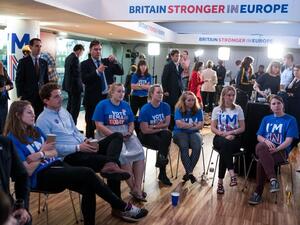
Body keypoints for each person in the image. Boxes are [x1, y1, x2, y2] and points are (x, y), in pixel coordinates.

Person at [4, 100, 148, 224]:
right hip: (41, 176)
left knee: (88, 187)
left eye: (33, 112)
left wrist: (39, 154)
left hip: (56, 165)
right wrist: (43, 153)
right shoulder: (12, 140)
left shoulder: (36, 131)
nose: (33, 115)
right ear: (17, 115)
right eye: (29, 113)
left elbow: (53, 152)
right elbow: (27, 170)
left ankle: (99, 217)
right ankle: (123, 206)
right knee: (87, 173)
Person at [36, 83, 129, 198]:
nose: (61, 98)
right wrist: (78, 147)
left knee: (117, 136)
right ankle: (117, 202)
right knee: (115, 163)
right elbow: (53, 148)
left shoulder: (64, 112)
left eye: (60, 95)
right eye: (56, 97)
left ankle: (110, 164)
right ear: (46, 100)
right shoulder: (43, 121)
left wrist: (86, 140)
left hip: (82, 147)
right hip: (71, 156)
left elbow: (75, 131)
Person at [93, 83, 146, 202]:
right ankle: (134, 189)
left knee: (140, 152)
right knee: (122, 155)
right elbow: (99, 125)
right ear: (111, 93)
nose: (122, 94)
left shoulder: (126, 105)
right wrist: (116, 136)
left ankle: (137, 186)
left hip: (125, 132)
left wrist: (130, 132)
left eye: (123, 91)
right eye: (119, 91)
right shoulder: (102, 105)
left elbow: (131, 122)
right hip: (108, 134)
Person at [248, 95, 298, 205]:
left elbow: (289, 141)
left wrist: (276, 149)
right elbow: (259, 136)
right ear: (270, 106)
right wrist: (266, 141)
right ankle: (273, 180)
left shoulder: (290, 120)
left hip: (281, 151)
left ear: (283, 104)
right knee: (261, 146)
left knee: (261, 160)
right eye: (273, 104)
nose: (276, 106)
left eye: (279, 103)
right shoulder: (266, 119)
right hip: (264, 148)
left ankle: (258, 193)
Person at [81, 40, 124, 138]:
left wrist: (116, 61)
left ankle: (105, 143)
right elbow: (84, 79)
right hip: (92, 99)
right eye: (95, 49)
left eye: (99, 49)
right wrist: (97, 72)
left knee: (106, 122)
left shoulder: (106, 61)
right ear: (90, 50)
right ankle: (90, 144)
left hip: (107, 97)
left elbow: (120, 71)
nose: (98, 51)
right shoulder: (85, 64)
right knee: (91, 123)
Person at [211, 86, 245, 194]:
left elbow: (242, 128)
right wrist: (223, 134)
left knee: (225, 150)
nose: (231, 98)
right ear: (223, 96)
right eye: (229, 95)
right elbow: (213, 128)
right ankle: (232, 174)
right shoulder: (217, 109)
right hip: (219, 137)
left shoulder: (238, 109)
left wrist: (231, 133)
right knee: (225, 145)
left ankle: (220, 183)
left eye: (233, 95)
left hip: (235, 138)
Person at [138, 84, 173, 186]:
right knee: (164, 144)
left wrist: (153, 126)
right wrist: (159, 127)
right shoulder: (145, 109)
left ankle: (161, 161)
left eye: (161, 92)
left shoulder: (165, 106)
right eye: (158, 92)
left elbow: (167, 124)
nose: (161, 94)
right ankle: (162, 173)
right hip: (146, 136)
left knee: (167, 134)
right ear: (151, 94)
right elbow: (144, 130)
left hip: (158, 133)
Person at [173, 91, 203, 183]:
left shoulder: (198, 110)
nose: (191, 102)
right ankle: (190, 172)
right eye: (189, 100)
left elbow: (201, 125)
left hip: (194, 133)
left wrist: (187, 125)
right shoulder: (179, 109)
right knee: (184, 146)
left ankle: (188, 173)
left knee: (197, 146)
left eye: (193, 100)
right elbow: (179, 124)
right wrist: (193, 125)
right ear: (183, 101)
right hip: (179, 132)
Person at [0, 136, 31, 225]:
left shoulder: (5, 143)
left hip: (6, 205)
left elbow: (22, 175)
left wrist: (21, 207)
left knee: (25, 219)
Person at [15, 38, 49, 117]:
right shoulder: (23, 62)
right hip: (28, 97)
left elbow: (46, 80)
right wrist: (21, 96)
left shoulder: (44, 62)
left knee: (40, 117)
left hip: (41, 97)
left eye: (40, 46)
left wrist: (46, 95)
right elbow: (19, 80)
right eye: (37, 46)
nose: (39, 48)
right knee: (28, 118)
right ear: (30, 47)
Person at [62, 44, 85, 125]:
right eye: (82, 52)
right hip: (75, 87)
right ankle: (73, 126)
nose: (81, 54)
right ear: (79, 50)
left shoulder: (68, 57)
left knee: (70, 105)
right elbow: (77, 73)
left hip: (68, 86)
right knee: (75, 108)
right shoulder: (75, 58)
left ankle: (68, 124)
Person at [161, 49, 183, 130]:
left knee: (177, 108)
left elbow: (179, 78)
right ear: (172, 56)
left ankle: (175, 125)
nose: (178, 57)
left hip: (178, 91)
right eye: (176, 56)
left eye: (179, 56)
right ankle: (169, 126)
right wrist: (165, 90)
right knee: (170, 110)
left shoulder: (179, 66)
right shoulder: (168, 66)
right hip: (170, 91)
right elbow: (164, 78)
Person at [286, 65, 300, 148]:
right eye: (294, 70)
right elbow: (287, 89)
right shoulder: (294, 80)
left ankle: (295, 142)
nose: (295, 72)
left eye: (297, 70)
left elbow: (297, 94)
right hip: (291, 105)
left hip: (298, 106)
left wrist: (292, 94)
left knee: (296, 123)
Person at [0, 61, 13, 134]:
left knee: (3, 124)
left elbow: (11, 85)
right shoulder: (1, 68)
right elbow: (1, 82)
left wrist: (5, 88)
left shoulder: (3, 69)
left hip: (3, 101)